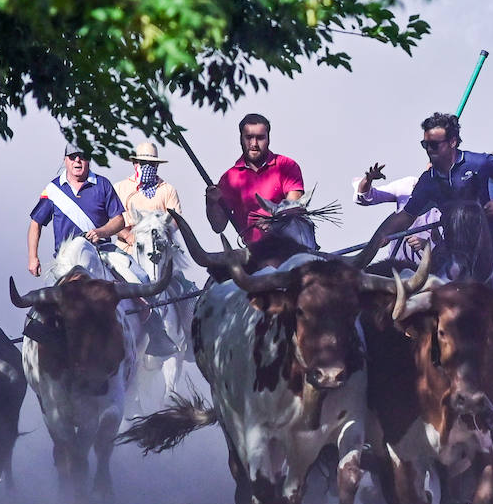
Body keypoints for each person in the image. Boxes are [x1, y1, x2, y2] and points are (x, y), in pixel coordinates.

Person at [362, 112, 493, 306]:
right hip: (451, 247)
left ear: (453, 142)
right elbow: (406, 216)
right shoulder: (428, 181)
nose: (429, 150)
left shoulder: (479, 162)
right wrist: (380, 237)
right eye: (425, 145)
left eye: (434, 145)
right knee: (425, 294)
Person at [27, 143, 175, 355]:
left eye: (82, 156)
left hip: (103, 251)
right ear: (65, 160)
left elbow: (118, 219)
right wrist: (33, 257)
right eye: (73, 157)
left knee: (140, 279)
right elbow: (36, 223)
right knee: (43, 302)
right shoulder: (52, 190)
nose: (77, 161)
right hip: (64, 259)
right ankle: (42, 344)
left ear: (88, 160)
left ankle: (156, 334)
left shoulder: (102, 184)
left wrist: (102, 232)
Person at [205, 113, 304, 245]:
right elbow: (218, 226)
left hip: (290, 245)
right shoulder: (229, 178)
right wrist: (211, 203)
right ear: (241, 139)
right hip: (254, 253)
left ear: (269, 139)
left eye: (260, 138)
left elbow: (294, 205)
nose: (254, 143)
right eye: (249, 137)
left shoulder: (286, 165)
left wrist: (274, 222)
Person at [352, 163, 438, 262]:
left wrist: (426, 245)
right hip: (395, 266)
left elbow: (451, 245)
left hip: (430, 271)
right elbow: (366, 197)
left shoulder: (451, 198)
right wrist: (367, 180)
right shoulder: (408, 185)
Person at [113, 141, 181, 253]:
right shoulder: (120, 188)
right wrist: (127, 235)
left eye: (152, 164)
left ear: (157, 165)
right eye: (143, 163)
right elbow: (111, 218)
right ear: (135, 163)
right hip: (126, 248)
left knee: (176, 270)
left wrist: (160, 234)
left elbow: (175, 219)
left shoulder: (168, 189)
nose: (148, 167)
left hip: (159, 248)